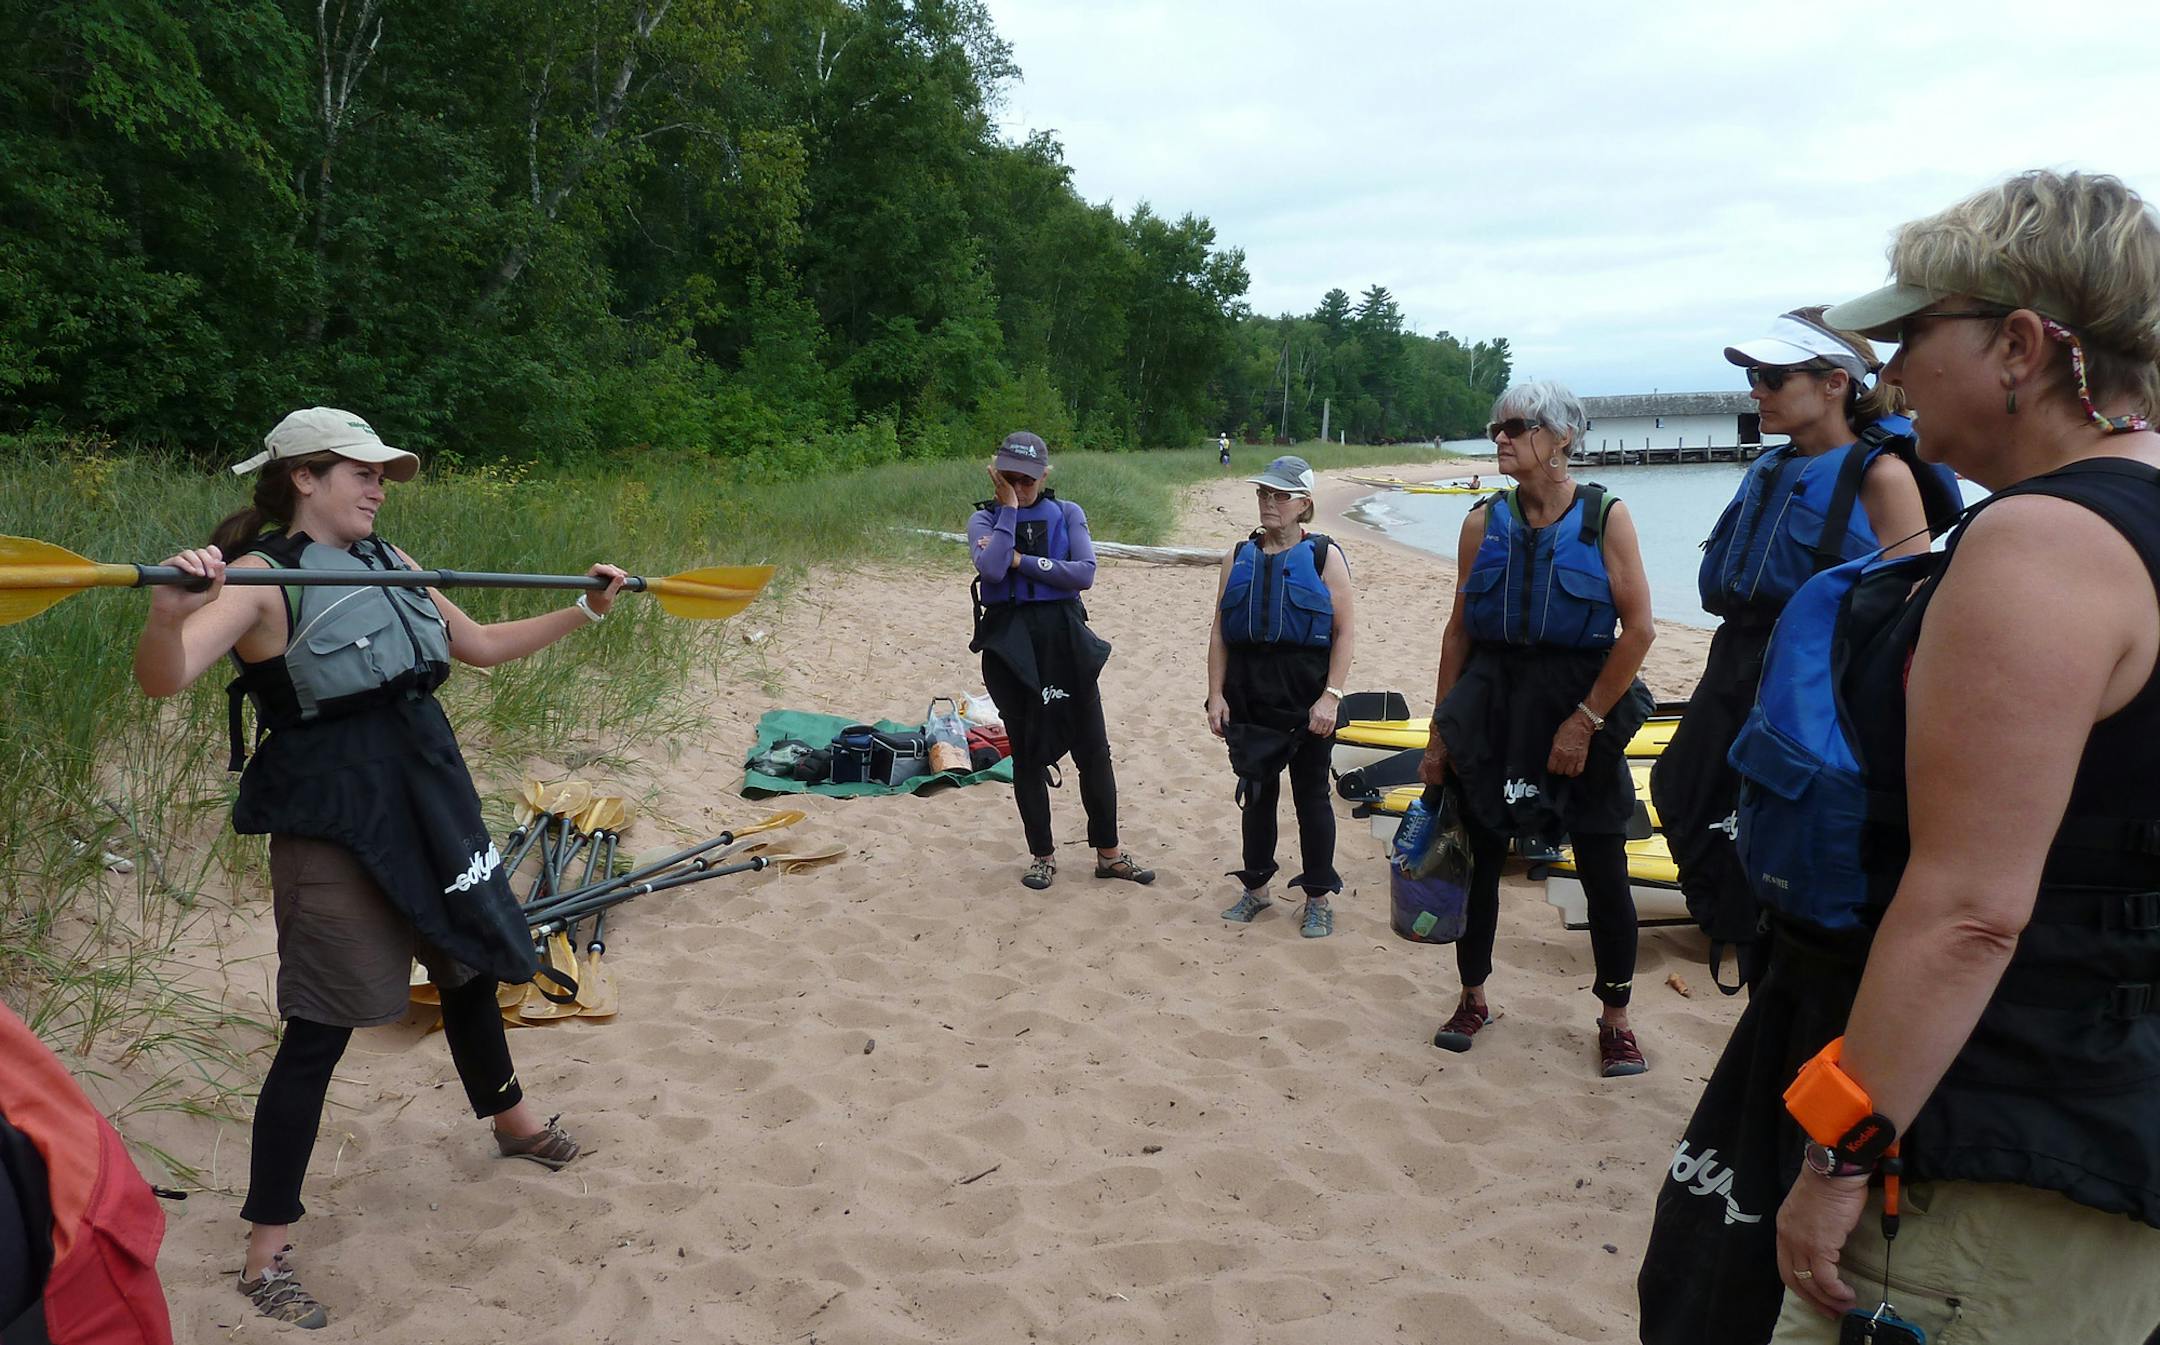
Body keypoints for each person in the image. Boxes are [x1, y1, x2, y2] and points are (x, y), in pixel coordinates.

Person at [1640, 170, 2160, 1344]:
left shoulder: (2040, 546)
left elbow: (1972, 908)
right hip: (2107, 1122)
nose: (1886, 373)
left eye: (1911, 335)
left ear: (2022, 346)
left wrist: (1839, 1154)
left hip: (1983, 1150)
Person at [131, 407, 627, 1328]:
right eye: (359, 471)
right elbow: (165, 677)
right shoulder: (258, 582)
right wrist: (170, 609)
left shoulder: (394, 564)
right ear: (303, 480)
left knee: (468, 960)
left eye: (382, 473)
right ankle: (264, 1252)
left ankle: (512, 1123)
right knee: (320, 1027)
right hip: (335, 820)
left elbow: (475, 646)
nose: (378, 486)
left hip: (426, 793)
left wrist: (584, 609)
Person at [1651, 307, 1957, 993]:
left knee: (1791, 825)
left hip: (1814, 674)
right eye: (1754, 376)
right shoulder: (1773, 467)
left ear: (1835, 384)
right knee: (1680, 786)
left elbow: (1909, 604)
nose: (1755, 389)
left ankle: (1777, 944)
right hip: (1736, 659)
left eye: (1771, 376)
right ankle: (1733, 920)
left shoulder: (1882, 476)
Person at [1415, 381, 1658, 1076]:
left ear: (1560, 438)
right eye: (1496, 428)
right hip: (1494, 703)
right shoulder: (1481, 521)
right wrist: (1439, 738)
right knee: (1480, 861)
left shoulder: (1605, 517)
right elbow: (1458, 633)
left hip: (1581, 700)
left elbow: (1638, 630)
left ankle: (1615, 1017)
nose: (1500, 438)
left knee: (1604, 866)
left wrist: (1584, 722)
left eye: (1515, 427)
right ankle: (1473, 997)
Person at [967, 430, 1154, 892]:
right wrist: (1008, 511)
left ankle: (1108, 855)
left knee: (1093, 749)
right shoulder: (984, 519)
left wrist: (1022, 562)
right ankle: (1042, 857)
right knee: (1028, 755)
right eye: (1010, 479)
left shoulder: (1068, 514)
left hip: (1065, 639)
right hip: (1011, 644)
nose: (1020, 487)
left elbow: (1084, 573)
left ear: (1044, 476)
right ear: (996, 476)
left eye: (1028, 481)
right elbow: (989, 569)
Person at [1206, 455, 1357, 937]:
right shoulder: (1239, 555)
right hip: (1249, 691)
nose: (1269, 502)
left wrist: (1330, 697)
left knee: (1312, 795)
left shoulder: (1323, 556)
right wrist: (1216, 694)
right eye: (1263, 494)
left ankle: (1317, 897)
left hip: (1306, 690)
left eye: (1280, 495)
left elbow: (1345, 631)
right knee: (1257, 791)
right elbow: (1219, 631)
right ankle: (1256, 889)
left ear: (1304, 504)